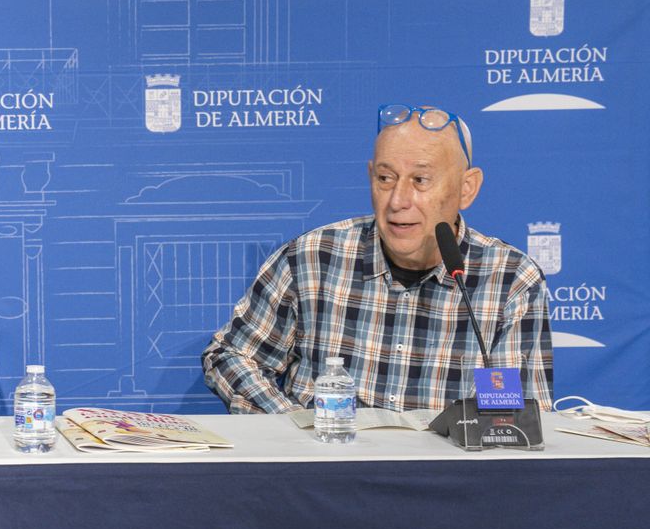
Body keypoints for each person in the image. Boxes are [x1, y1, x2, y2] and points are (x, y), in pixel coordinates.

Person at [201, 103, 553, 414]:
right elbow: (232, 356)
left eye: (420, 180)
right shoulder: (312, 258)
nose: (398, 200)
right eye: (385, 178)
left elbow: (516, 416)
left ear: (466, 188)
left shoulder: (510, 279)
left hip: (444, 468)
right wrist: (296, 427)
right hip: (327, 463)